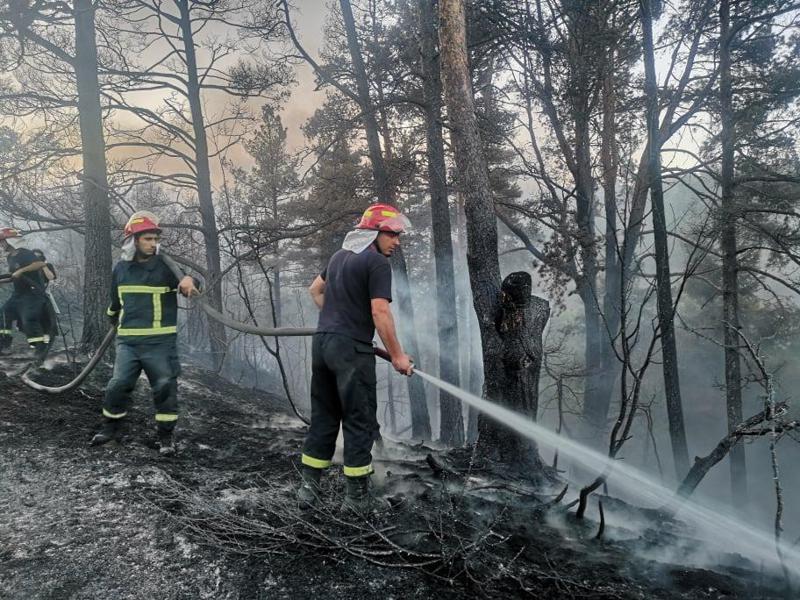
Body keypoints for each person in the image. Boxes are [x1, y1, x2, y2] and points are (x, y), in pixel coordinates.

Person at [298, 203, 414, 512]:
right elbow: (380, 311)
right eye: (392, 235)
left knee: (323, 417)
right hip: (351, 351)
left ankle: (308, 490)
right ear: (375, 233)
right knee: (358, 420)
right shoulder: (376, 262)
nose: (397, 242)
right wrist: (398, 355)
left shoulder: (339, 257)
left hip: (323, 345)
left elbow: (314, 290)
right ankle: (356, 499)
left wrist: (338, 321)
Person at [90, 211, 197, 456]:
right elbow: (114, 302)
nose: (153, 243)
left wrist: (190, 281)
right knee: (118, 384)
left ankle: (166, 437)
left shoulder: (166, 267)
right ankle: (110, 429)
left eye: (155, 239)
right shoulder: (121, 269)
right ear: (134, 241)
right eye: (147, 239)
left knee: (164, 387)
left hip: (160, 342)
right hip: (128, 341)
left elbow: (192, 283)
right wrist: (112, 317)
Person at [0, 227, 49, 361]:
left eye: (3, 242)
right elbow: (13, 275)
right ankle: (4, 345)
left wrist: (21, 271)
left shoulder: (24, 253)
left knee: (29, 319)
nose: (1, 245)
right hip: (19, 294)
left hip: (33, 293)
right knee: (4, 313)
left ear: (10, 241)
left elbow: (39, 264)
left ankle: (40, 349)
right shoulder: (10, 257)